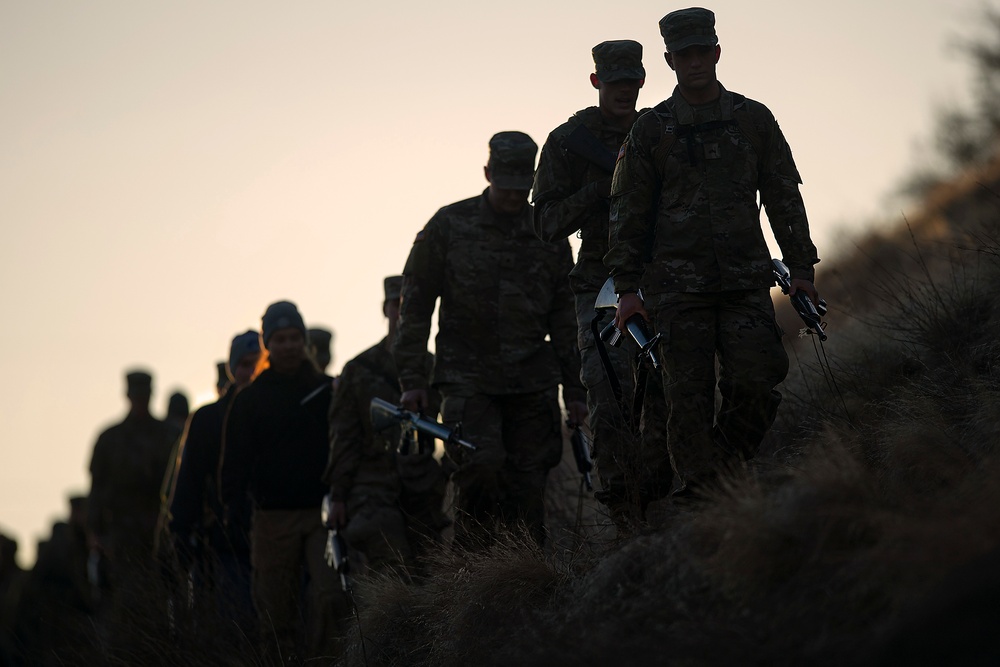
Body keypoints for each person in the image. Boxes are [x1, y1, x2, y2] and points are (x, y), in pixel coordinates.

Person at [605, 8, 820, 501]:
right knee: (687, 399)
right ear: (669, 60)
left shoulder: (753, 119)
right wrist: (627, 290)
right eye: (684, 55)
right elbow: (627, 215)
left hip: (745, 280)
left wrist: (802, 268)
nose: (695, 62)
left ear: (717, 52)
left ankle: (719, 472)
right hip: (677, 290)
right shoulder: (650, 130)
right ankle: (704, 496)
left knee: (758, 381)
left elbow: (784, 195)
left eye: (702, 52)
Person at [394, 131, 588, 548]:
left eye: (523, 187)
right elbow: (414, 305)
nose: (515, 197)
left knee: (528, 483)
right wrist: (412, 380)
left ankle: (527, 577)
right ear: (487, 174)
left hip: (532, 379)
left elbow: (566, 318)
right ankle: (470, 577)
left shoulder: (546, 232)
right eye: (507, 186)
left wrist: (576, 390)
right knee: (480, 468)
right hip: (468, 379)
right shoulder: (449, 225)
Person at [532, 39, 669, 530]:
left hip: (663, 281)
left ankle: (667, 506)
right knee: (609, 402)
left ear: (642, 81)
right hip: (599, 287)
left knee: (669, 398)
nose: (624, 91)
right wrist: (601, 187)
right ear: (596, 83)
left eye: (632, 82)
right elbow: (545, 223)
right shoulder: (570, 141)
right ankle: (622, 515)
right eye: (614, 83)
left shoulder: (659, 129)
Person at [220, 302, 348, 662]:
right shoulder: (250, 401)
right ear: (268, 345)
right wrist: (234, 512)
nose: (289, 345)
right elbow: (234, 465)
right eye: (280, 339)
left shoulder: (328, 391)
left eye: (295, 337)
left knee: (331, 598)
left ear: (304, 341)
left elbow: (346, 447)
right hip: (271, 520)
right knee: (276, 617)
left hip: (321, 516)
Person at [325, 276, 446, 576]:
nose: (402, 311)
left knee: (428, 574)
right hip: (373, 486)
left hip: (421, 488)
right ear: (385, 308)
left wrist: (445, 475)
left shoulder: (435, 368)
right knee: (393, 569)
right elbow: (344, 437)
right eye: (396, 304)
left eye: (409, 305)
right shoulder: (358, 369)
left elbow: (458, 427)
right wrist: (338, 495)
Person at [168, 331, 260, 624]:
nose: (250, 373)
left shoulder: (279, 409)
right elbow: (188, 482)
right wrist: (180, 534)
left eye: (257, 365)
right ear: (233, 368)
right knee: (233, 628)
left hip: (278, 537)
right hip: (224, 546)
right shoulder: (207, 420)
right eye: (245, 364)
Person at [87, 370, 177, 583]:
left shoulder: (168, 435)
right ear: (128, 396)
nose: (140, 402)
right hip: (121, 533)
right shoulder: (109, 439)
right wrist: (95, 532)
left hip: (159, 530)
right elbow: (96, 487)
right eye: (137, 396)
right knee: (125, 597)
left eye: (144, 396)